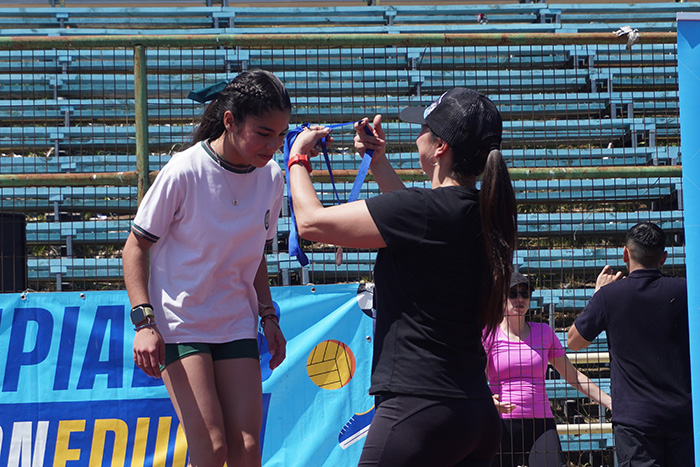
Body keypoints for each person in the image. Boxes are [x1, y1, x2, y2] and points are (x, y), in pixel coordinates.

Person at [287, 88, 518, 466]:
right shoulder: (487, 212)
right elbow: (416, 228)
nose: (417, 136)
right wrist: (378, 163)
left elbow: (311, 223)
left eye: (424, 129)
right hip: (475, 413)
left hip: (418, 409)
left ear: (440, 147)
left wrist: (297, 158)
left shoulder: (423, 211)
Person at [122, 69, 288, 467]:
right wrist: (144, 321)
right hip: (181, 323)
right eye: (264, 133)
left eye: (282, 135)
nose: (273, 146)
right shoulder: (184, 169)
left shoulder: (272, 177)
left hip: (236, 322)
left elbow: (255, 254)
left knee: (247, 449)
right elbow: (135, 246)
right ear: (230, 120)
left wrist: (268, 315)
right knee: (212, 448)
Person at [568, 222, 693, 467]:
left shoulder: (609, 295)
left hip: (635, 419)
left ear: (625, 253)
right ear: (663, 258)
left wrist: (598, 294)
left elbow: (574, 342)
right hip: (681, 414)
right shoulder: (685, 290)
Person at [484, 272, 612, 467]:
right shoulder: (489, 333)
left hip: (540, 423)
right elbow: (475, 377)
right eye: (513, 293)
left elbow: (574, 376)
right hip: (501, 423)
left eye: (525, 294)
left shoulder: (544, 332)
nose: (520, 299)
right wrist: (487, 398)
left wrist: (611, 403)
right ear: (501, 298)